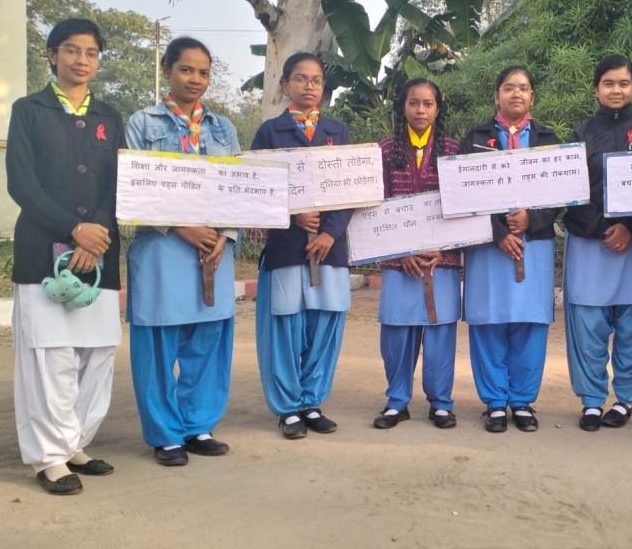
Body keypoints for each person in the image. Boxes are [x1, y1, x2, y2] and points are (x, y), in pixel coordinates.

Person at [6, 17, 124, 494]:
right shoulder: (28, 111)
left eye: (91, 52)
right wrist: (73, 230)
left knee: (96, 353)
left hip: (100, 253)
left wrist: (96, 234)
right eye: (72, 50)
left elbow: (118, 184)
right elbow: (22, 183)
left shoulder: (109, 117)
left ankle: (74, 443)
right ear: (52, 55)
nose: (82, 60)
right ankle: (49, 457)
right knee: (49, 355)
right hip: (43, 251)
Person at [125, 36, 240, 466]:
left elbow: (239, 188)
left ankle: (198, 425)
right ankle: (166, 434)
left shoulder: (223, 128)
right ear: (167, 70)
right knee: (158, 344)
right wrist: (180, 226)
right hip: (162, 250)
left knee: (209, 340)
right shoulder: (142, 123)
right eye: (186, 69)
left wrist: (225, 235)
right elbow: (133, 188)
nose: (195, 79)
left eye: (203, 72)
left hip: (214, 250)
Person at [252, 53, 352, 440]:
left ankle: (312, 401)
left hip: (330, 250)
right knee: (284, 326)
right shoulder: (269, 133)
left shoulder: (338, 132)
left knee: (325, 325)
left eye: (316, 80)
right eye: (300, 78)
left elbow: (352, 190)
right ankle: (288, 408)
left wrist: (330, 232)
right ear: (284, 85)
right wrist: (291, 215)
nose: (309, 86)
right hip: (286, 249)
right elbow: (255, 189)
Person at [459, 66, 560, 432]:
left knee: (530, 322)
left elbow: (563, 193)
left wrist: (532, 219)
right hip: (488, 246)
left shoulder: (549, 140)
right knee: (489, 320)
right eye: (508, 87)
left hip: (535, 243)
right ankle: (495, 402)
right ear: (496, 95)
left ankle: (522, 401)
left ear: (532, 96)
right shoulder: (475, 138)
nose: (516, 93)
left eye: (523, 88)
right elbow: (463, 192)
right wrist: (499, 231)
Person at [563, 54, 632, 431]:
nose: (617, 90)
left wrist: (630, 226)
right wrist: (602, 227)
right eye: (609, 83)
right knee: (588, 324)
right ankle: (592, 400)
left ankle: (625, 399)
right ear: (596, 89)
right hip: (589, 243)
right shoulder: (579, 135)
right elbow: (568, 193)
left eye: (624, 83)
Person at [373, 79, 462, 429]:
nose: (420, 110)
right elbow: (375, 207)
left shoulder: (452, 151)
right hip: (400, 264)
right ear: (403, 107)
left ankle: (441, 403)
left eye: (428, 104)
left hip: (442, 262)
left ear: (438, 109)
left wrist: (443, 249)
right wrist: (400, 251)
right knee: (397, 334)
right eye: (414, 103)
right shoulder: (385, 150)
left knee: (440, 335)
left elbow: (462, 208)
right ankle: (397, 401)